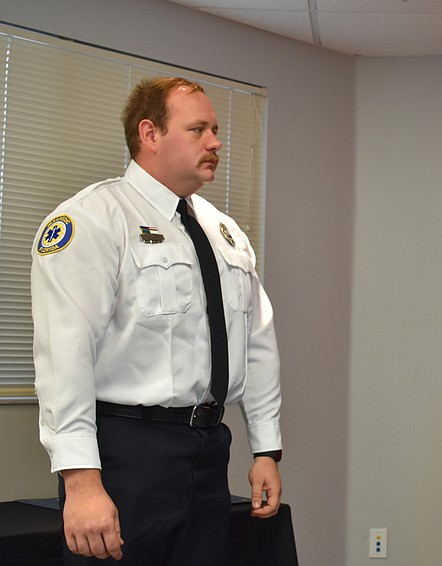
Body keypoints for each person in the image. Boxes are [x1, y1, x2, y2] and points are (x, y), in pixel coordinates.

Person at [31, 77, 283, 564]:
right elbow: (65, 357)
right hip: (126, 456)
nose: (215, 142)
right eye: (198, 130)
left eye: (216, 129)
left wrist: (266, 450)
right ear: (150, 133)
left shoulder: (223, 232)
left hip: (209, 451)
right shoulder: (94, 220)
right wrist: (81, 482)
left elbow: (257, 342)